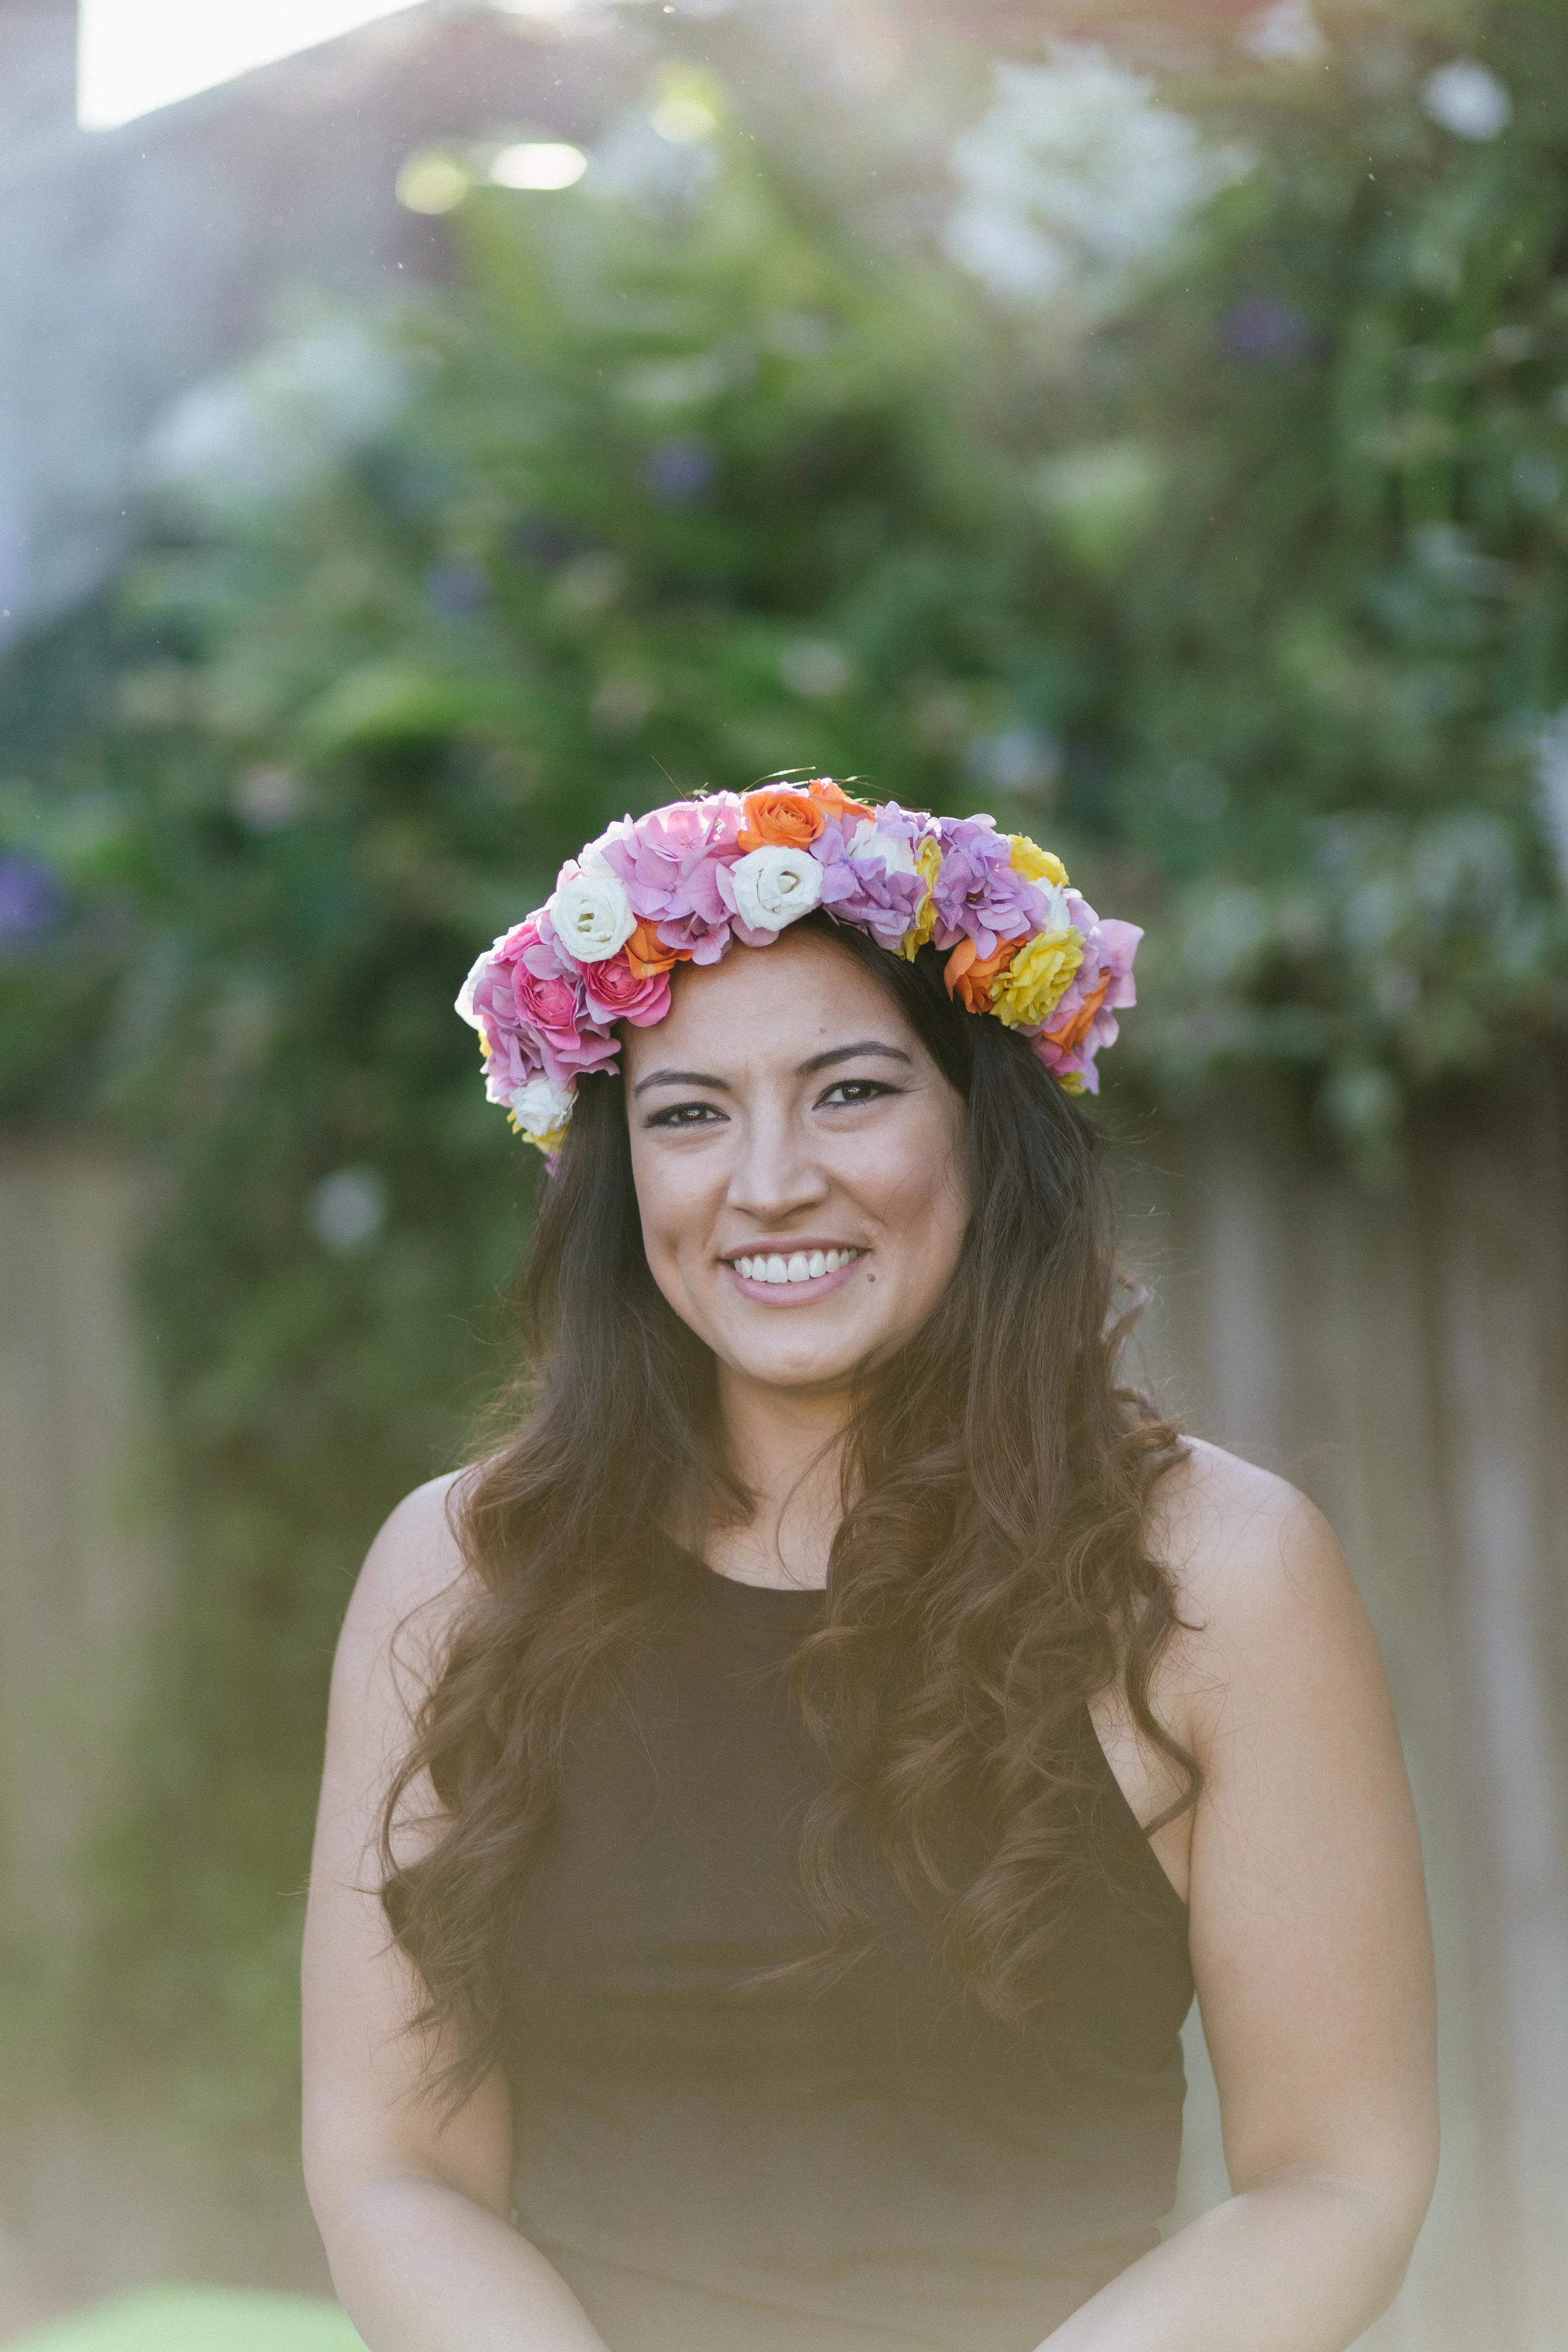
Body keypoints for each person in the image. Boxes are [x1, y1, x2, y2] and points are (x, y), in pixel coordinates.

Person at [302, 782, 1437, 2352]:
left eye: (848, 1091)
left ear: (985, 1118)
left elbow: (1336, 2181)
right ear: (621, 1178)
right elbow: (395, 2169)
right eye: (687, 1112)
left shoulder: (1221, 1577)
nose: (767, 1181)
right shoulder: (458, 1571)